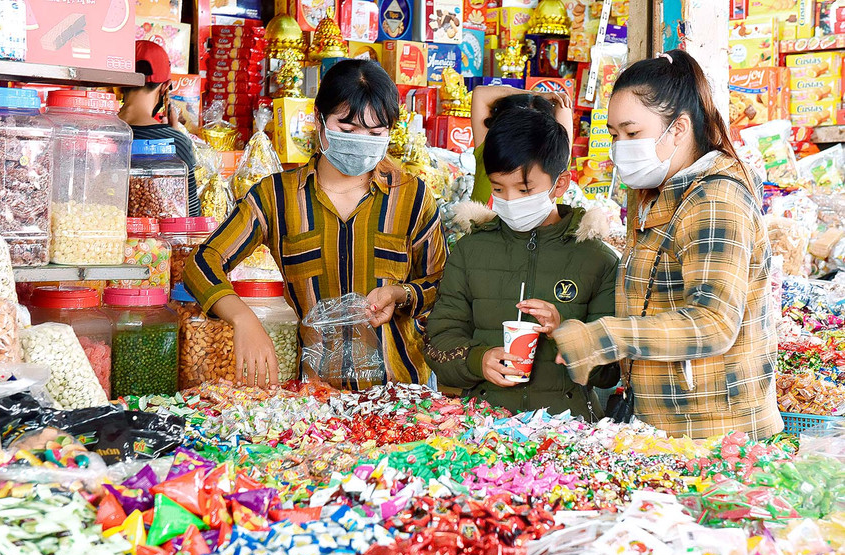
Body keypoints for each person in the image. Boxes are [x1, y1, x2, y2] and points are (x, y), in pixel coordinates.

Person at [544, 49, 783, 439]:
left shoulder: (714, 201)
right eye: (613, 134)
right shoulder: (659, 195)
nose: (621, 146)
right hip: (670, 428)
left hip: (719, 436)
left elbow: (713, 324)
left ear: (678, 128)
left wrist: (604, 337)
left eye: (632, 132)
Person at [183, 59, 448, 389]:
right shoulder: (277, 196)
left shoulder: (411, 196)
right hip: (314, 400)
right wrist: (243, 318)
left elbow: (442, 286)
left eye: (375, 133)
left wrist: (402, 293)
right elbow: (201, 263)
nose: (361, 141)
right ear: (319, 122)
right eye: (348, 130)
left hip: (401, 396)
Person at [424, 106, 619, 417]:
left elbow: (610, 373)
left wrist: (564, 333)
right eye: (499, 189)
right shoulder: (470, 251)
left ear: (559, 183)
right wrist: (479, 360)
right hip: (484, 431)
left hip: (567, 432)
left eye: (524, 190)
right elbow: (439, 342)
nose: (510, 201)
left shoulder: (597, 260)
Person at [119, 40, 200, 217]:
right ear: (165, 87)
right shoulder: (176, 142)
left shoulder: (101, 132)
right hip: (157, 245)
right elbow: (191, 214)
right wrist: (174, 136)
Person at [469, 86, 573, 205]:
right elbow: (480, 93)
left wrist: (537, 96)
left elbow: (563, 104)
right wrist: (536, 94)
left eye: (524, 190)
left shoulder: (555, 153)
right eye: (499, 189)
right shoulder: (491, 148)